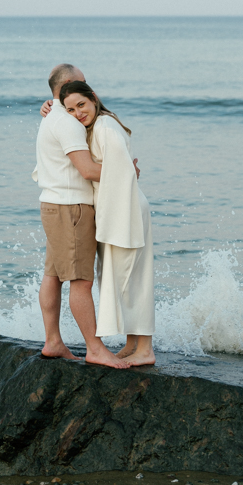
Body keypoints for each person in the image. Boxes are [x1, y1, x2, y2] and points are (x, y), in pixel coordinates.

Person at [33, 63, 130, 368]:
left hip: (54, 205)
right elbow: (88, 170)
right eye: (83, 84)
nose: (89, 89)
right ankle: (95, 348)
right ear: (66, 88)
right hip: (71, 209)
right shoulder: (67, 122)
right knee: (80, 282)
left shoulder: (54, 117)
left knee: (52, 275)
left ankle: (53, 342)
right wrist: (129, 172)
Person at [59, 80, 156, 366]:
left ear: (94, 99)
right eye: (70, 109)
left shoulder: (103, 126)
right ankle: (132, 343)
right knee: (122, 276)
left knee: (133, 279)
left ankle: (146, 349)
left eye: (81, 105)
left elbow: (124, 170)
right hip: (118, 208)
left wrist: (126, 171)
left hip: (125, 209)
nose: (78, 113)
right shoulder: (97, 125)